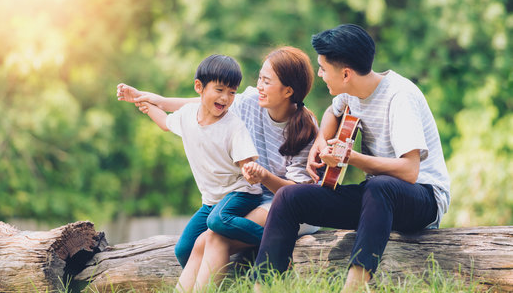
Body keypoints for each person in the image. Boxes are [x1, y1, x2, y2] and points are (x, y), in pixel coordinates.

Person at [252, 24, 451, 292]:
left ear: (345, 74)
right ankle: (263, 286)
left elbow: (410, 171)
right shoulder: (350, 91)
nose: (320, 74)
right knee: (290, 197)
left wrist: (351, 157)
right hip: (376, 200)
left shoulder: (400, 96)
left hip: (422, 198)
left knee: (379, 186)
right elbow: (332, 114)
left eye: (323, 68)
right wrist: (320, 142)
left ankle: (355, 285)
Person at [117, 46, 320, 292]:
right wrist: (154, 100)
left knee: (214, 234)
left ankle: (276, 250)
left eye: (267, 81)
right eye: (260, 79)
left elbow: (298, 193)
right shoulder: (249, 102)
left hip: (287, 205)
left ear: (288, 91)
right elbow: (204, 102)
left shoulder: (305, 127)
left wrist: (264, 176)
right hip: (254, 197)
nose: (259, 86)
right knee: (190, 246)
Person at [119, 54, 265, 269]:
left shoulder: (233, 126)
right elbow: (165, 123)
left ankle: (274, 242)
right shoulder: (187, 115)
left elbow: (247, 163)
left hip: (241, 194)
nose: (225, 98)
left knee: (218, 221)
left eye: (232, 92)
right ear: (199, 87)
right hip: (211, 201)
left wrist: (249, 170)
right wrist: (142, 101)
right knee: (184, 250)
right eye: (219, 90)